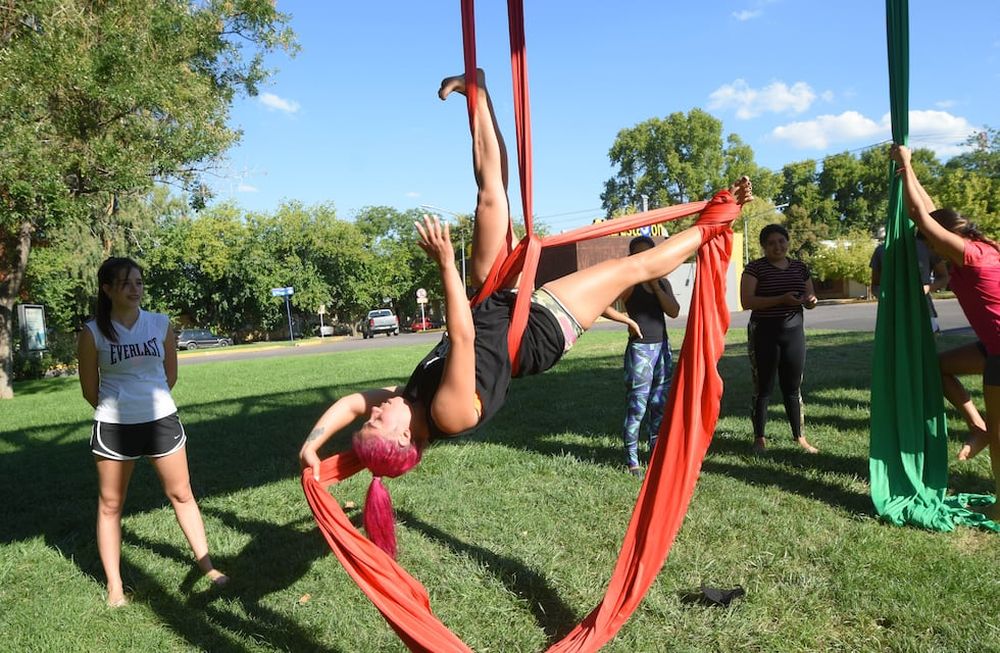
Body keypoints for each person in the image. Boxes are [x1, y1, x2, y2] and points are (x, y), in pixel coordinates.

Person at [298, 70, 753, 556]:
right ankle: (717, 221)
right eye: (378, 421)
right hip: (538, 329)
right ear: (405, 435)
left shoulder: (407, 398)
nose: (376, 410)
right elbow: (466, 339)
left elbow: (349, 403)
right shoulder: (447, 415)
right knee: (630, 267)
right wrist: (447, 266)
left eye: (373, 416)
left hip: (496, 302)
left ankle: (477, 90)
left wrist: (314, 443)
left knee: (490, 193)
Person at [77, 257, 228, 606]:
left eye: (139, 282)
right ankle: (115, 586)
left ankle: (207, 567)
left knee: (182, 495)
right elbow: (89, 389)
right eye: (126, 283)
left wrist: (148, 404)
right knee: (111, 505)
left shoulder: (160, 324)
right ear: (108, 289)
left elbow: (170, 376)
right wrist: (121, 407)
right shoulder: (92, 332)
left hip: (161, 421)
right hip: (114, 426)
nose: (135, 289)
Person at [890, 144, 1000, 520]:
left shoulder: (968, 254)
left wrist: (905, 164)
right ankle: (978, 427)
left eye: (933, 248)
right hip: (991, 345)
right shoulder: (980, 246)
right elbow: (931, 209)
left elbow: (923, 218)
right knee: (937, 366)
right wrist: (910, 172)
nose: (933, 255)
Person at [601, 235, 680, 477]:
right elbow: (601, 303)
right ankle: (632, 460)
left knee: (659, 404)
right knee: (637, 407)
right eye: (638, 253)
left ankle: (655, 452)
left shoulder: (663, 283)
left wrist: (656, 285)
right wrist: (627, 320)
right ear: (632, 257)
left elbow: (674, 311)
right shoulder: (629, 283)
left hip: (662, 350)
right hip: (640, 351)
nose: (644, 257)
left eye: (648, 253)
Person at [740, 224, 819, 454]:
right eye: (772, 243)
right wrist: (781, 299)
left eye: (781, 241)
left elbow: (809, 296)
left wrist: (810, 301)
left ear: (788, 242)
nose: (778, 246)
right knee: (763, 387)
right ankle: (759, 438)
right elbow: (747, 302)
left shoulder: (800, 268)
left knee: (793, 387)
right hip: (764, 333)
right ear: (764, 246)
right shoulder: (754, 268)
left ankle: (800, 437)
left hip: (794, 334)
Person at [870, 226, 949, 330]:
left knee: (926, 344)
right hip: (893, 314)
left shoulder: (926, 247)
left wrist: (927, 288)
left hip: (924, 311)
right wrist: (887, 296)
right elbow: (875, 285)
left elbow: (944, 276)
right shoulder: (881, 251)